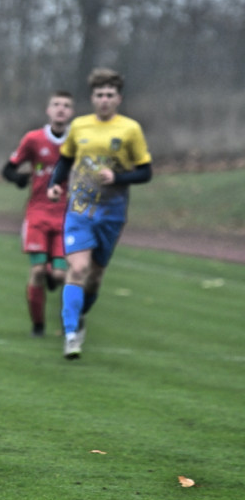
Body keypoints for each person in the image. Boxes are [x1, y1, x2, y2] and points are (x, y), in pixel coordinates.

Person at [47, 68, 152, 359]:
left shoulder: (130, 129)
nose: (104, 100)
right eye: (99, 95)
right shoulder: (79, 126)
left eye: (109, 95)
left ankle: (78, 315)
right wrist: (55, 185)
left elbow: (145, 172)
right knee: (78, 269)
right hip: (79, 210)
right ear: (92, 98)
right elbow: (65, 161)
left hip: (112, 213)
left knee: (94, 277)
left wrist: (117, 177)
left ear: (118, 98)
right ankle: (70, 334)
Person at [1, 91, 74, 336]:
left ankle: (68, 310)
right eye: (56, 104)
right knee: (38, 271)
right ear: (48, 110)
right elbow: (8, 169)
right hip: (38, 213)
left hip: (66, 216)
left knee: (62, 274)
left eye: (66, 105)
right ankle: (38, 325)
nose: (61, 109)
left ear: (71, 111)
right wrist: (20, 178)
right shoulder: (33, 139)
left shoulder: (77, 140)